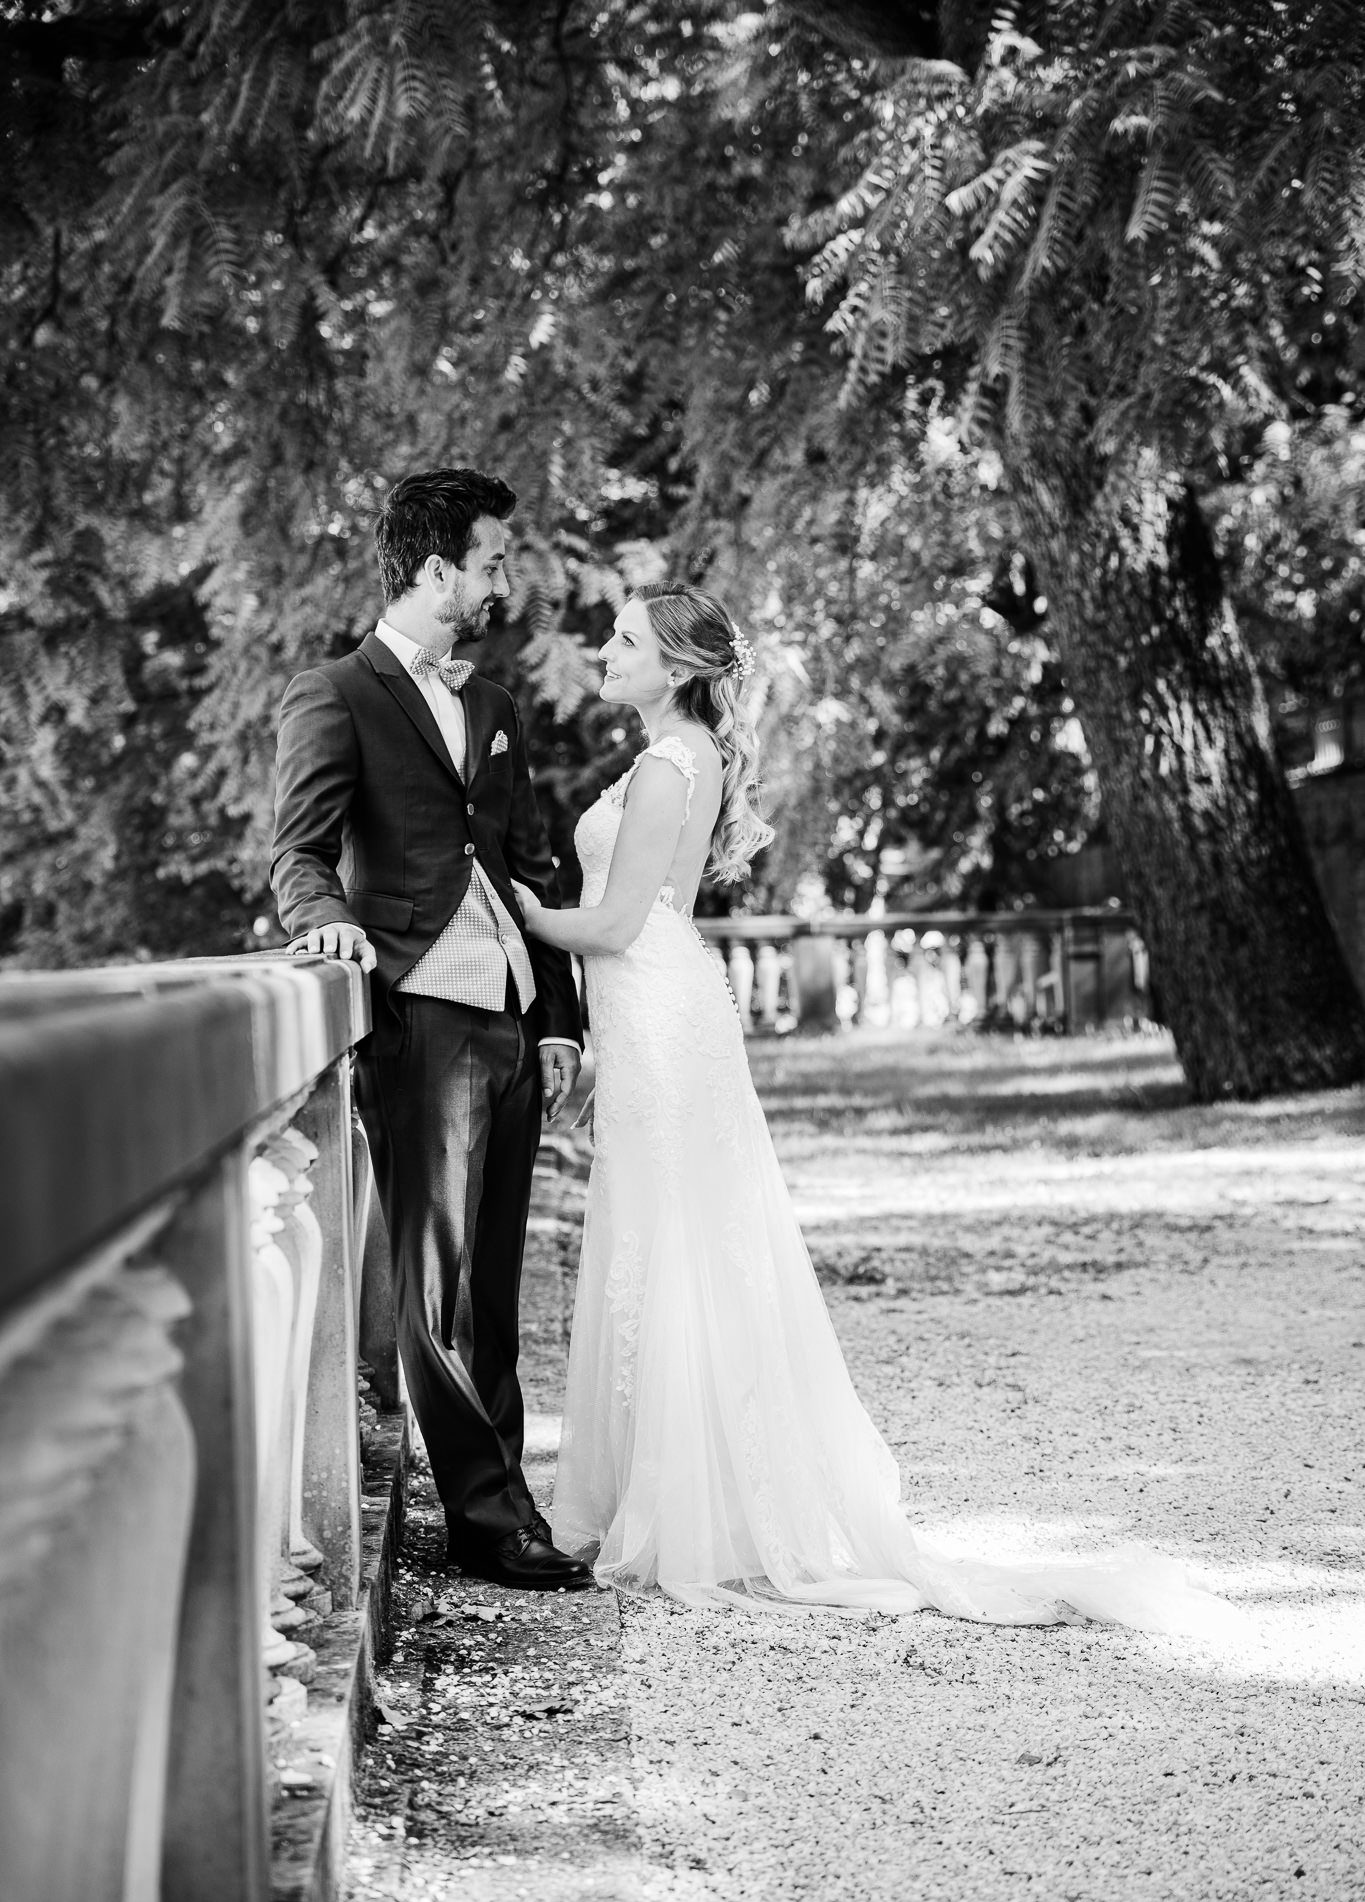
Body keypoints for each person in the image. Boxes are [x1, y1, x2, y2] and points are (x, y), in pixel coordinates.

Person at [512, 581, 1232, 1630]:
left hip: (657, 1006)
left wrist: (525, 910)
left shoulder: (672, 765)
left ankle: (697, 1505)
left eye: (622, 640)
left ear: (672, 668)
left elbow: (619, 921)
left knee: (675, 1239)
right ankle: (673, 1490)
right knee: (669, 1239)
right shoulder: (671, 758)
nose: (605, 651)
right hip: (654, 1009)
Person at [271, 467, 593, 1592]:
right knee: (434, 1281)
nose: (508, 577)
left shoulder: (495, 705)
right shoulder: (336, 693)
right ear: (435, 566)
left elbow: (526, 867)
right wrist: (326, 927)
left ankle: (496, 1502)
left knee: (492, 1283)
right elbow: (299, 854)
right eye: (494, 559)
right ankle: (493, 1519)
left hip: (506, 1014)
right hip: (418, 1010)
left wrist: (557, 1018)